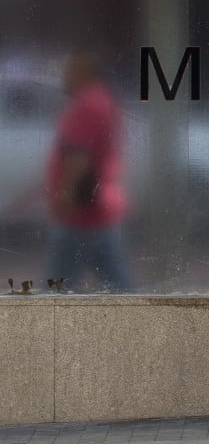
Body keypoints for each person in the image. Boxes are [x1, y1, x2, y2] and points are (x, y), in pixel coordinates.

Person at [45, 51, 132, 292]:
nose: (63, 74)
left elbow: (79, 155)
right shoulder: (102, 100)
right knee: (117, 282)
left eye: (68, 68)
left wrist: (65, 194)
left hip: (83, 211)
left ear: (82, 71)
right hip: (99, 207)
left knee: (57, 286)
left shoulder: (88, 104)